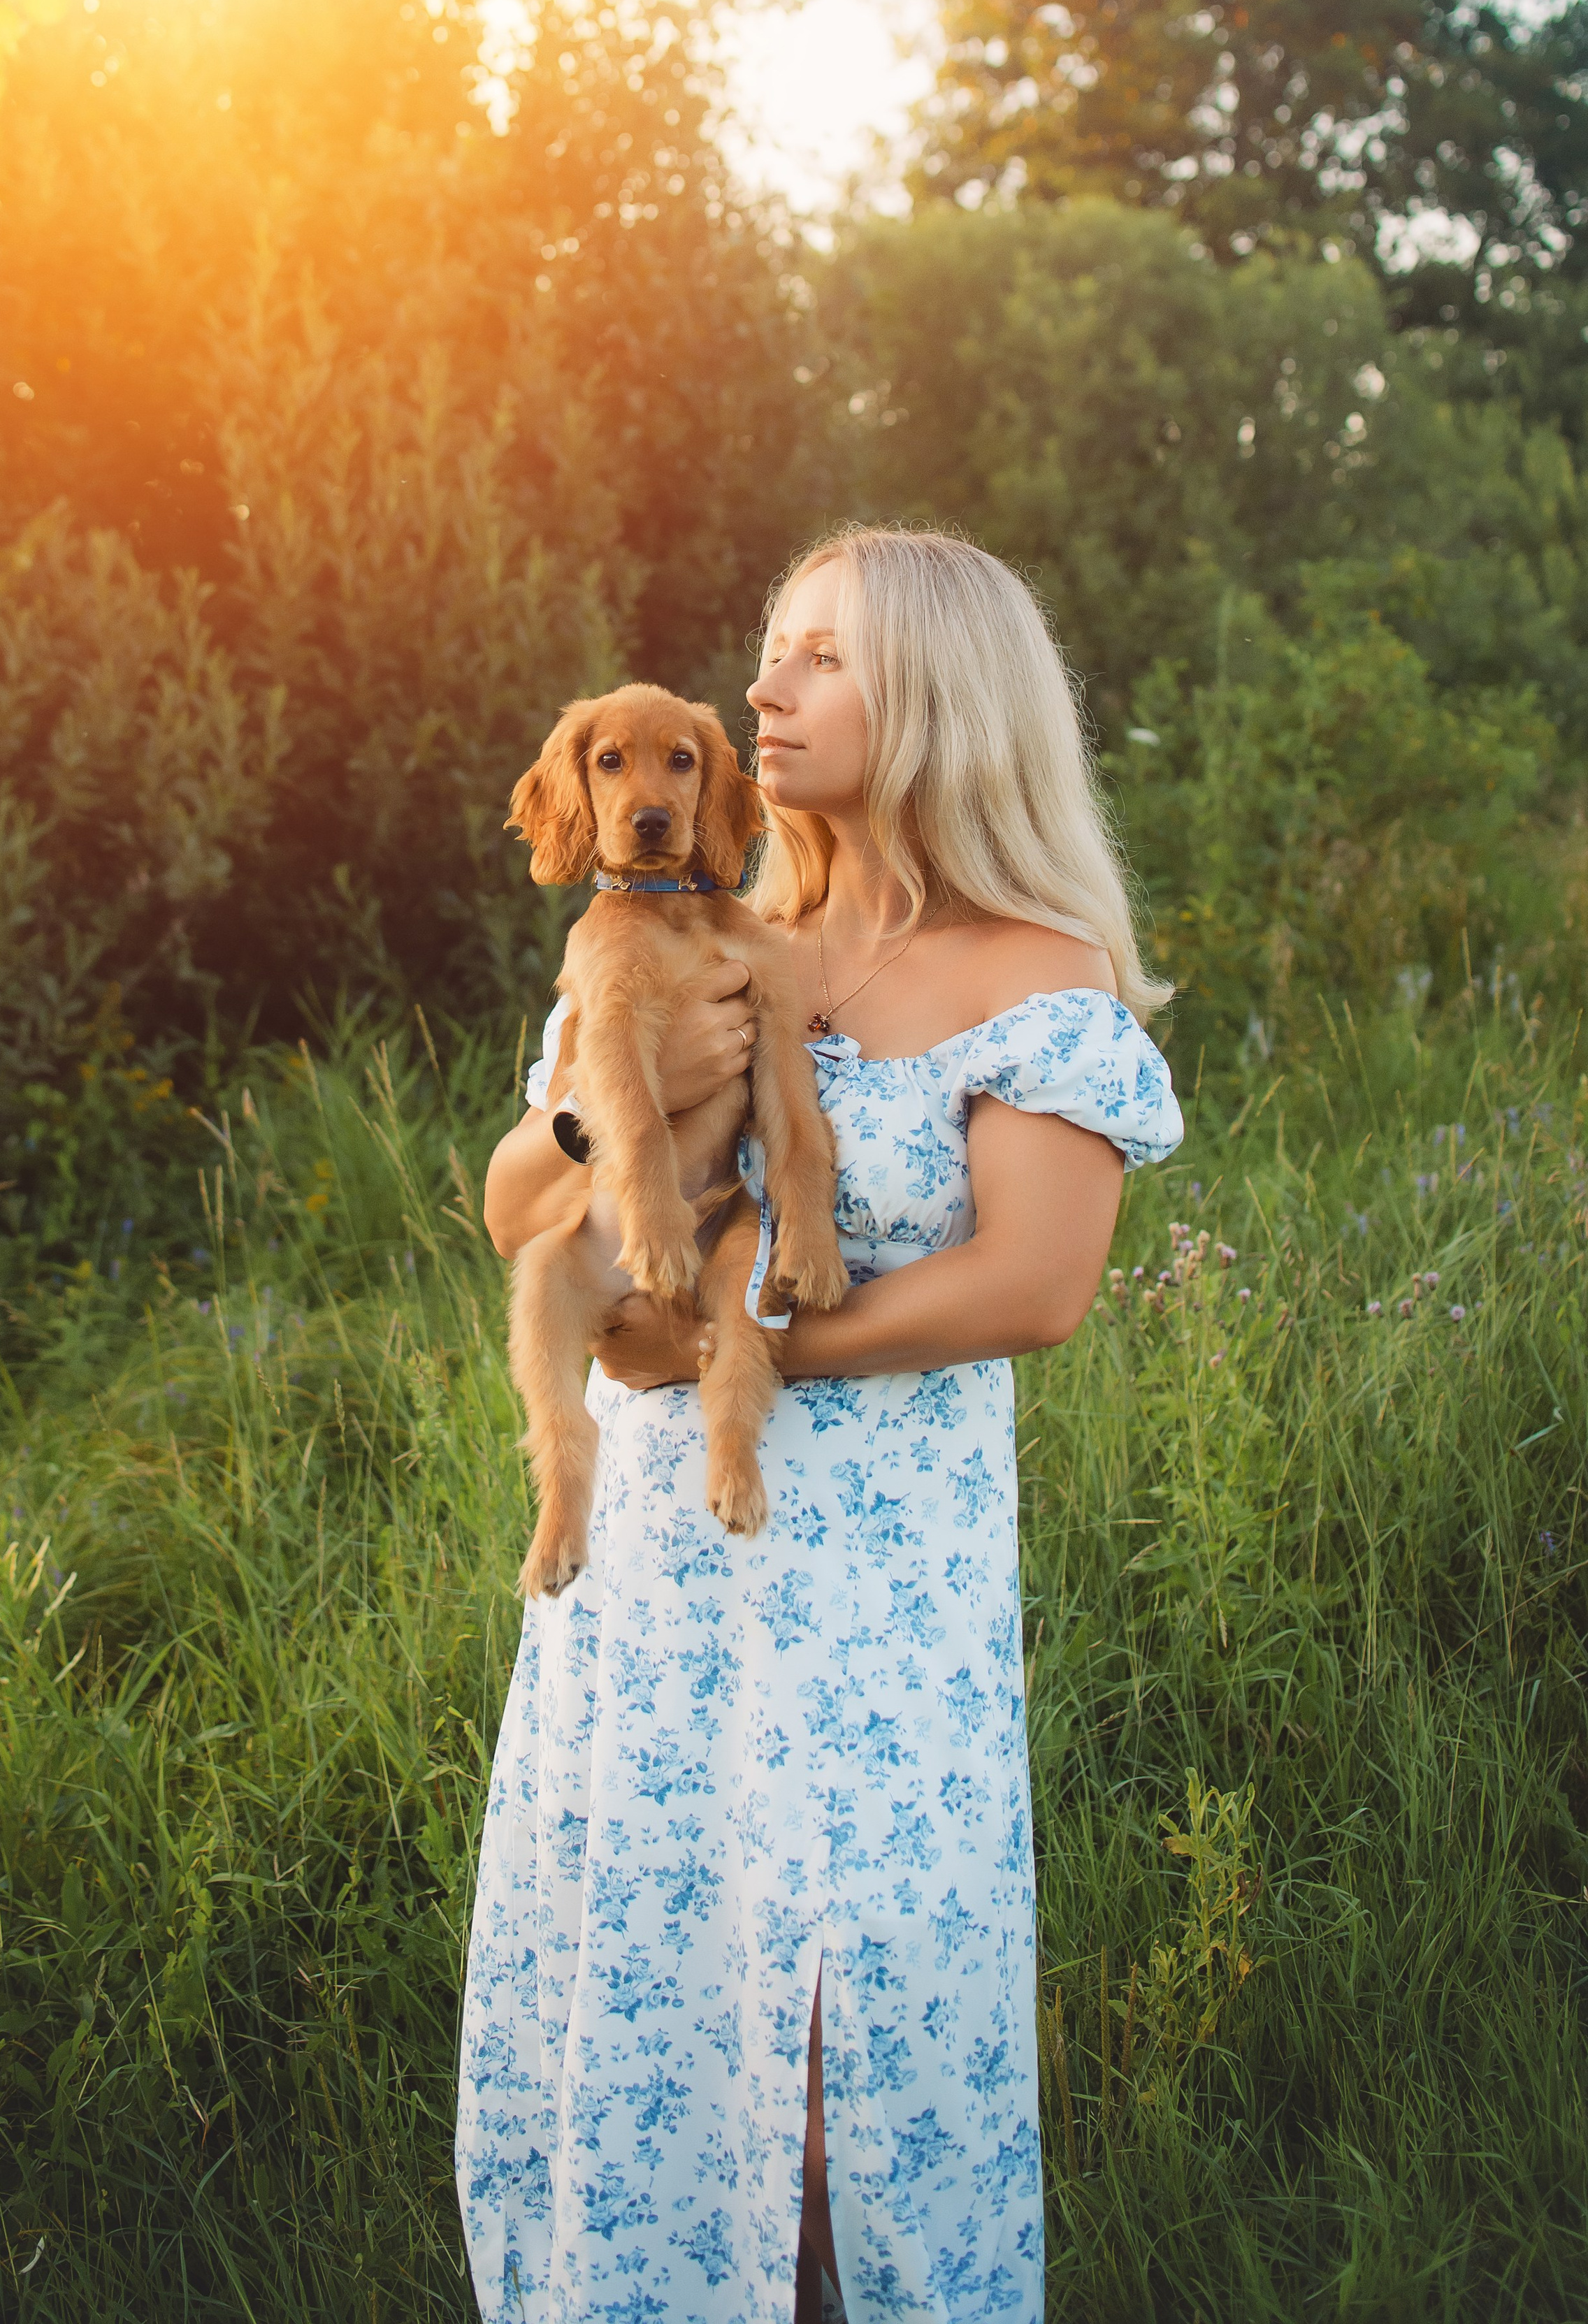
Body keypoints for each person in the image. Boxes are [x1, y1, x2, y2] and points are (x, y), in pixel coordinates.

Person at [457, 525, 1183, 2323]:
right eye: (770, 653)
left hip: (876, 1619)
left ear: (935, 699)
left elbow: (1034, 1284)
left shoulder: (1036, 968)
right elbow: (505, 1201)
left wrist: (745, 1345)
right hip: (659, 1586)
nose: (764, 689)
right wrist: (601, 1129)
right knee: (662, 2040)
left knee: (829, 2100)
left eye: (820, 660)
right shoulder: (705, 935)